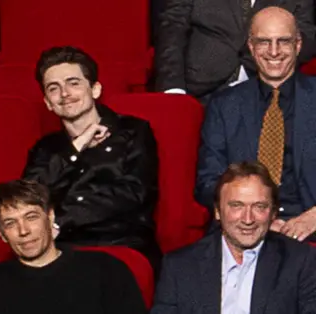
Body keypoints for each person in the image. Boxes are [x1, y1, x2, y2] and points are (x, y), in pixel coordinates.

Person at [22, 46, 160, 268]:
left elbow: (134, 192)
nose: (64, 93)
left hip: (119, 241)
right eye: (53, 88)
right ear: (48, 102)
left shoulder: (134, 131)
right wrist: (77, 146)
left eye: (73, 83)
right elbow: (28, 197)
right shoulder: (45, 148)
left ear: (95, 89)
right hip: (60, 247)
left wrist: (61, 221)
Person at [195, 7, 316, 242]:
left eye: (283, 41)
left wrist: (314, 217)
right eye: (263, 42)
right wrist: (255, 218)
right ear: (251, 47)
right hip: (243, 228)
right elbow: (208, 181)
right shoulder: (224, 105)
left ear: (298, 44)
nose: (273, 51)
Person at [0, 179, 147, 314]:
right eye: (11, 223)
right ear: (2, 234)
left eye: (31, 217)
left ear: (50, 216)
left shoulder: (106, 270)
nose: (23, 230)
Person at [151, 161, 316, 314]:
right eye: (236, 206)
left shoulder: (301, 262)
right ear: (217, 211)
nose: (247, 219)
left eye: (259, 207)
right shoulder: (179, 266)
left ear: (273, 213)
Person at [153, 0, 315, 102]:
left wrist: (261, 64)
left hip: (265, 91)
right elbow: (172, 28)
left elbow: (306, 36)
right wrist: (173, 89)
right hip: (197, 90)